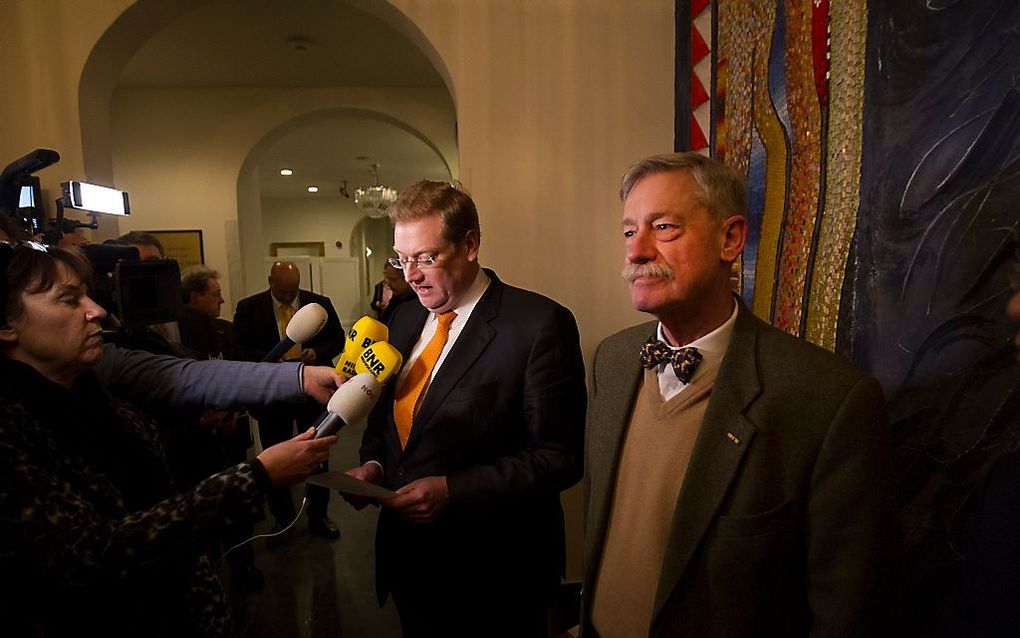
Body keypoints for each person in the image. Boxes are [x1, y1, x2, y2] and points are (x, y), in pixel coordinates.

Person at [581, 153, 897, 637]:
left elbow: (846, 609)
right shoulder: (613, 360)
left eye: (663, 228)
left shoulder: (828, 398)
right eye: (629, 232)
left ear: (730, 239)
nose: (636, 251)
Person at [0, 241, 339, 636]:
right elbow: (96, 555)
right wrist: (257, 477)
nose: (97, 312)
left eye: (89, 295)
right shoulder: (11, 433)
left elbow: (184, 376)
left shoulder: (94, 382)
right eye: (68, 300)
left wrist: (299, 377)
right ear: (6, 325)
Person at [345, 180, 587, 637]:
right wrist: (374, 466)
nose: (411, 275)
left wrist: (453, 489)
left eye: (426, 257)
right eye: (403, 258)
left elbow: (560, 457)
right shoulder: (405, 316)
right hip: (411, 565)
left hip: (495, 575)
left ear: (470, 244)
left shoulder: (538, 325)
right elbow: (385, 421)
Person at [233, 260, 344, 540]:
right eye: (283, 292)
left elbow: (338, 340)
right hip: (272, 395)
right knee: (274, 455)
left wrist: (315, 353)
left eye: (293, 291)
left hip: (313, 393)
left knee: (317, 453)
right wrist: (273, 361)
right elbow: (241, 350)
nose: (288, 296)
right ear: (270, 282)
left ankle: (319, 516)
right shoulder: (249, 308)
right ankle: (282, 521)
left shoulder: (318, 304)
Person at [179, 267, 262, 590]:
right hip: (195, 448)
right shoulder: (176, 339)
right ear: (195, 296)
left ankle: (243, 565)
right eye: (214, 294)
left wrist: (232, 412)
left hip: (232, 438)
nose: (222, 299)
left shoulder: (226, 332)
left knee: (238, 507)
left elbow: (241, 372)